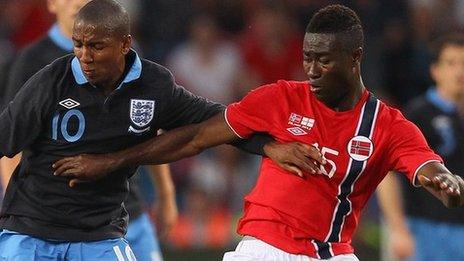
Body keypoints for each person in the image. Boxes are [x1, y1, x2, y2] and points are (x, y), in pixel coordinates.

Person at [53, 5, 464, 261]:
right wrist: (110, 162)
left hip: (330, 252)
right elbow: (195, 137)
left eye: (324, 60)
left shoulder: (386, 124)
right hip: (262, 249)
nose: (312, 70)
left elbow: (423, 163)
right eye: (307, 58)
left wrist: (441, 178)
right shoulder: (279, 98)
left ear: (355, 58)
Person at [0, 0, 310, 259]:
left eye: (96, 46)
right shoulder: (51, 80)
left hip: (96, 235)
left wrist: (268, 146)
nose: (84, 56)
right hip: (32, 229)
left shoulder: (152, 86)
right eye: (79, 45)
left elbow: (214, 119)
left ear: (125, 45)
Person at [0, 1, 177, 260]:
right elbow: (10, 139)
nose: (77, 2)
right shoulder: (32, 61)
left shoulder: (124, 54)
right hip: (51, 223)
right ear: (51, 4)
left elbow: (149, 124)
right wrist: (19, 209)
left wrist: (165, 193)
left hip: (127, 211)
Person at [377, 33, 464, 261]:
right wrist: (397, 229)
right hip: (423, 230)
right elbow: (388, 175)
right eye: (451, 63)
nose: (460, 72)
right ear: (435, 70)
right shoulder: (416, 115)